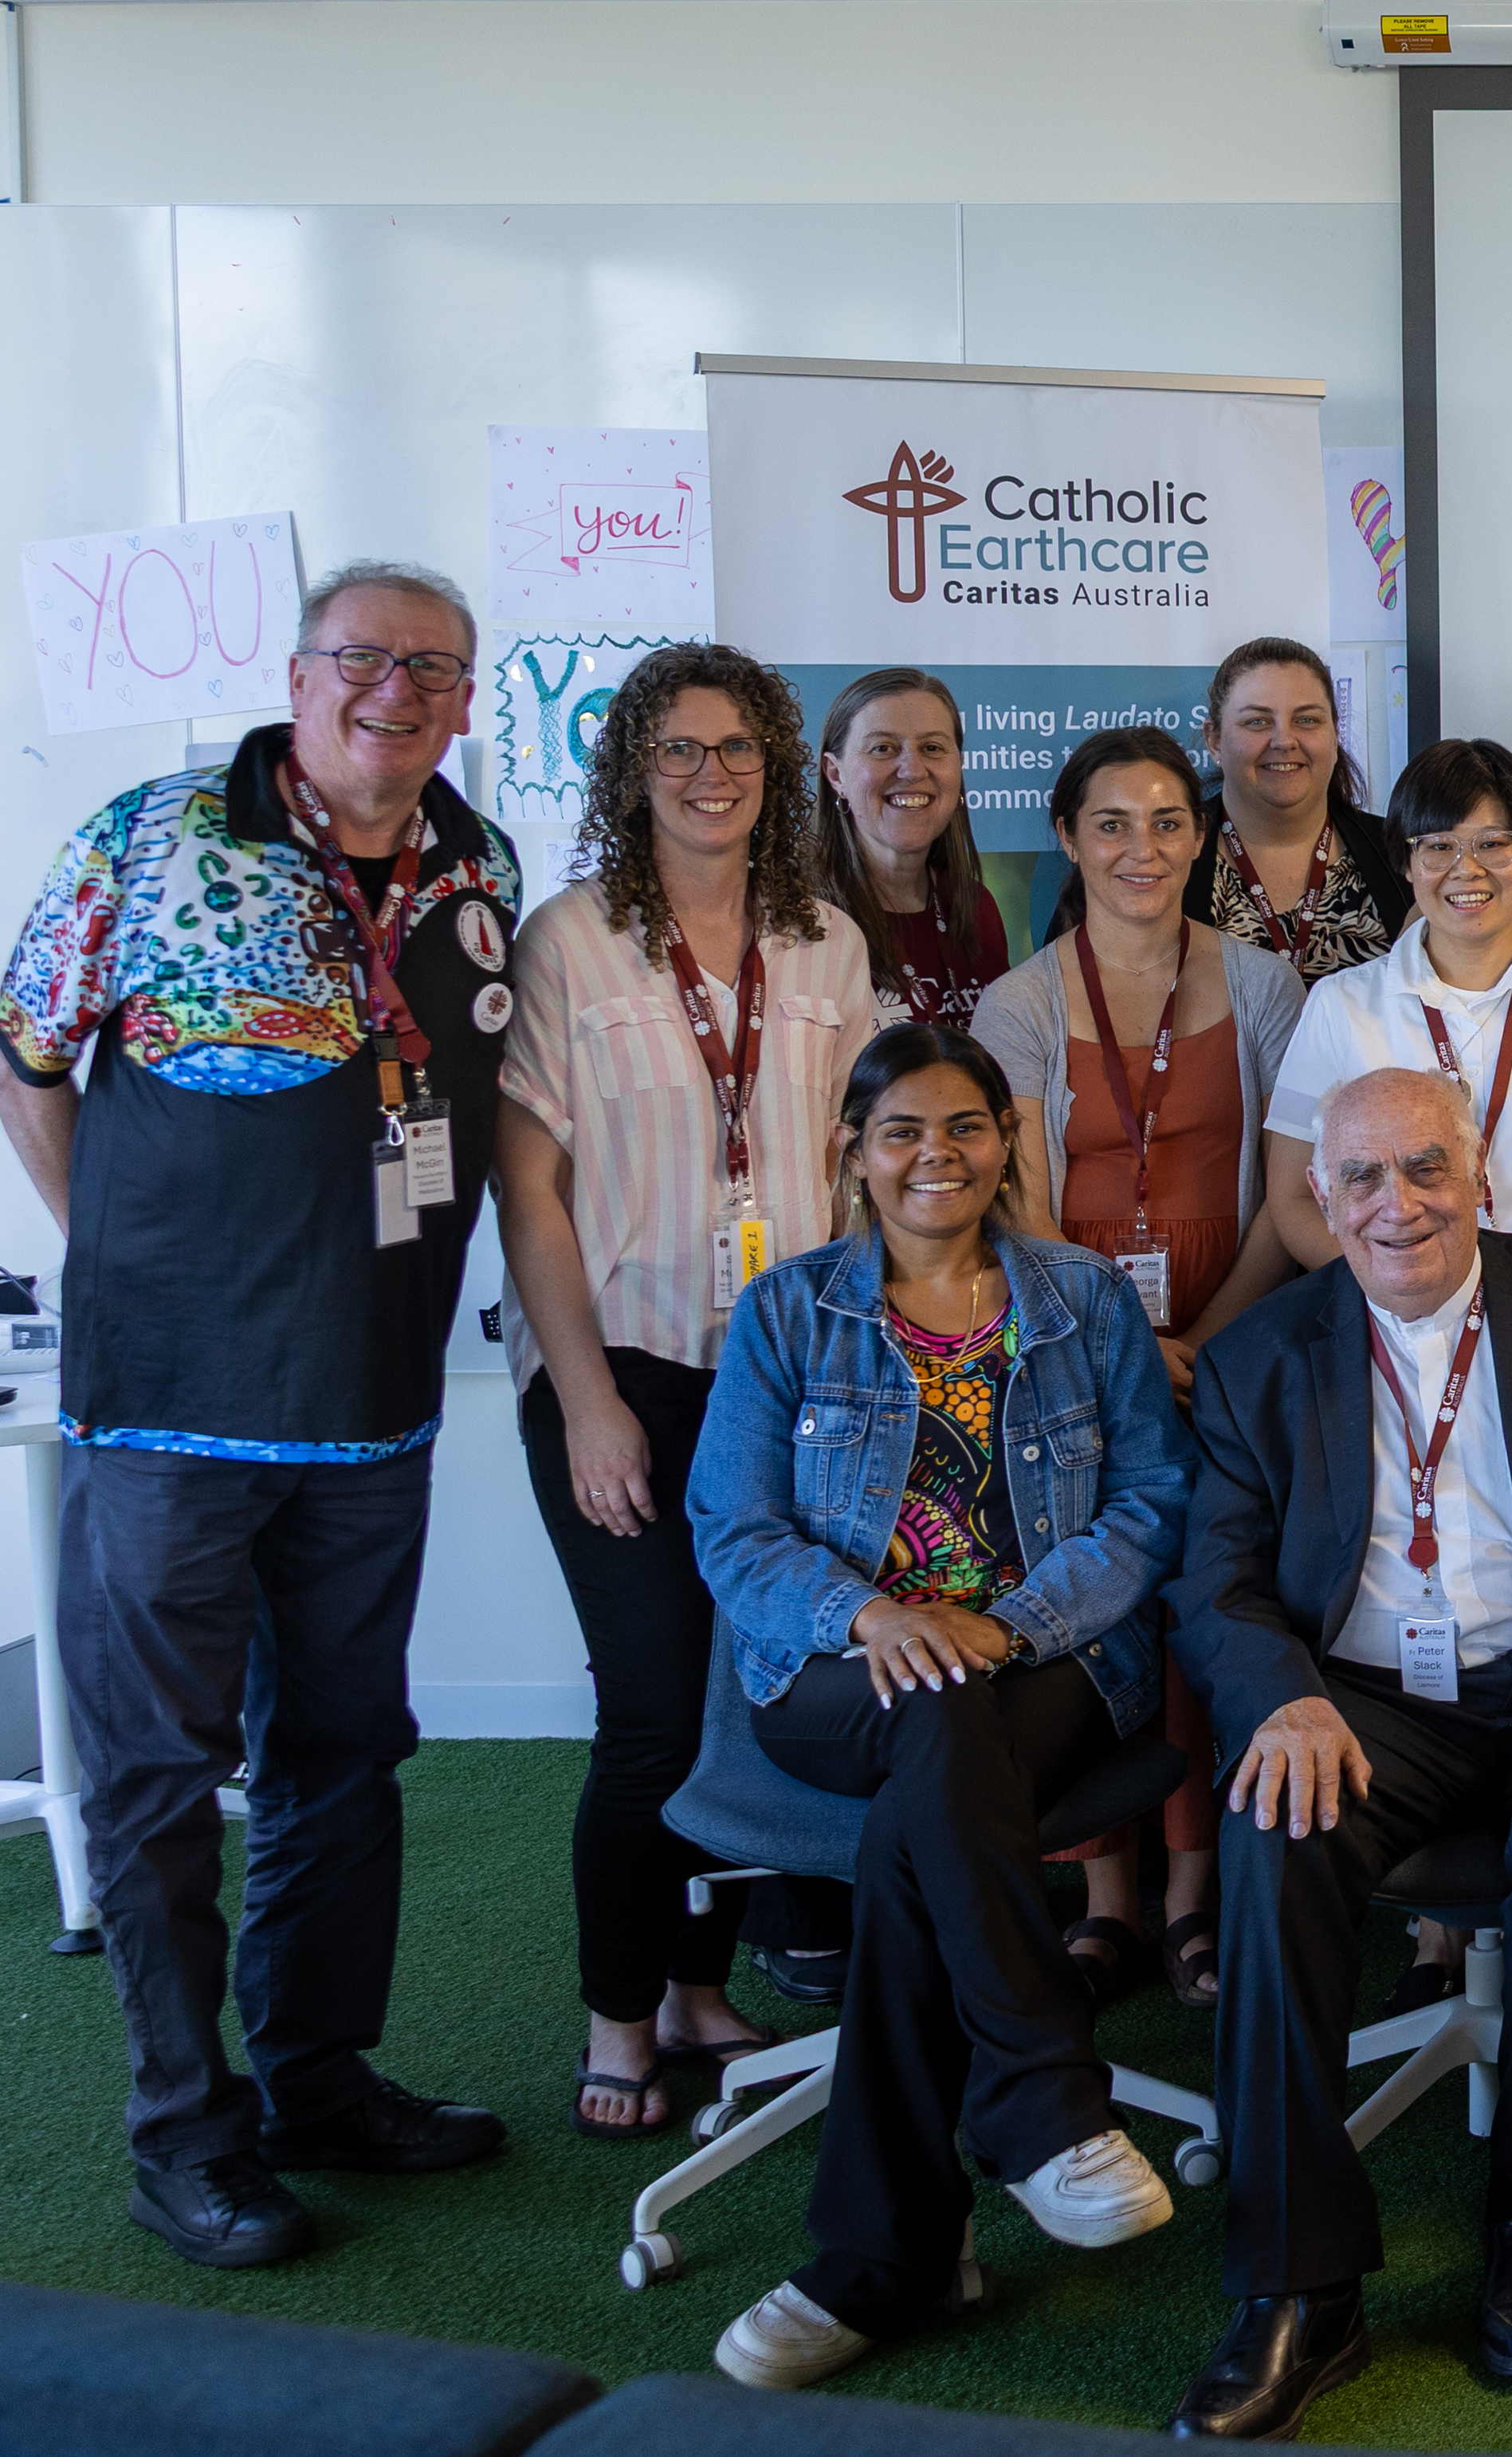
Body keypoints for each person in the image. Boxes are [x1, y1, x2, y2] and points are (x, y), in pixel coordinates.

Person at [0, 560, 522, 2268]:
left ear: (462, 693)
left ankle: (314, 2077)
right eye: (362, 658)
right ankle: (182, 2133)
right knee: (154, 1783)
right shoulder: (149, 834)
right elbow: (18, 1056)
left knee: (343, 1759)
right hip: (172, 1415)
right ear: (298, 674)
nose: (395, 690)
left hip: (372, 1406)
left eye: (431, 666)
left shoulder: (477, 865)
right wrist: (124, 1264)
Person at [1160, 1069, 1512, 2443]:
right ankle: (1299, 2281)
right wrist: (1279, 1699)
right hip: (1361, 1705)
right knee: (1269, 1835)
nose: (1394, 1202)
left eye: (1424, 1167)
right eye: (1360, 1176)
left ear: (1478, 1175)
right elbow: (1213, 1584)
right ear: (1319, 1198)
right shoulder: (1258, 1357)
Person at [685, 1024, 1198, 2390]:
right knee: (931, 1715)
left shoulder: (1081, 1299)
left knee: (941, 1756)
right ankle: (1037, 2100)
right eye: (902, 1128)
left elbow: (1151, 1505)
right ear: (853, 1150)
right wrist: (877, 1616)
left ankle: (877, 2258)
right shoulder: (788, 1309)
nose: (936, 1154)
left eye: (965, 1125)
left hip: (1050, 1667)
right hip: (832, 1674)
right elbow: (729, 1528)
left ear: (1003, 1143)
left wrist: (1008, 1620)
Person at [497, 642, 887, 2145]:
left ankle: (696, 1990)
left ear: (777, 769)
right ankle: (619, 2011)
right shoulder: (570, 940)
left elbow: (863, 1173)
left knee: (751, 1697)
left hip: (790, 1381)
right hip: (630, 1373)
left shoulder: (823, 945)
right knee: (654, 1709)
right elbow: (528, 1191)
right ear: (631, 770)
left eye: (736, 747)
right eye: (677, 748)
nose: (710, 773)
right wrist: (585, 1397)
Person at [971, 725, 1310, 2011]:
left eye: (1167, 821)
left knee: (1208, 1595)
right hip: (1073, 1336)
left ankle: (1195, 1894)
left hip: (1241, 1324)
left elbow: (1291, 1185)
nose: (1141, 848)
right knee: (1089, 1589)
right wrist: (1131, 1343)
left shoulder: (1267, 986)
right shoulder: (1022, 1001)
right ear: (1067, 837)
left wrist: (1213, 1339)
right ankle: (1106, 1896)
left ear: (1201, 839)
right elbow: (1021, 1197)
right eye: (1111, 822)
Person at [1261, 738, 1512, 1274]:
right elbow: (1293, 1198)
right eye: (1438, 846)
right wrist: (1388, 1295)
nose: (1466, 869)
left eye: (1495, 843)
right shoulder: (1338, 1005)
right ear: (1405, 862)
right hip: (1388, 1318)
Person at [1187, 635, 1412, 978]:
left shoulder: (1403, 853)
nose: (1284, 741)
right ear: (1214, 741)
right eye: (1257, 722)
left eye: (1306, 720)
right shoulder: (1164, 856)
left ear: (1335, 734)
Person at [816, 666, 1009, 1028]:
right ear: (835, 775)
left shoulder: (975, 907)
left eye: (932, 748)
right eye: (883, 748)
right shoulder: (799, 919)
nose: (912, 769)